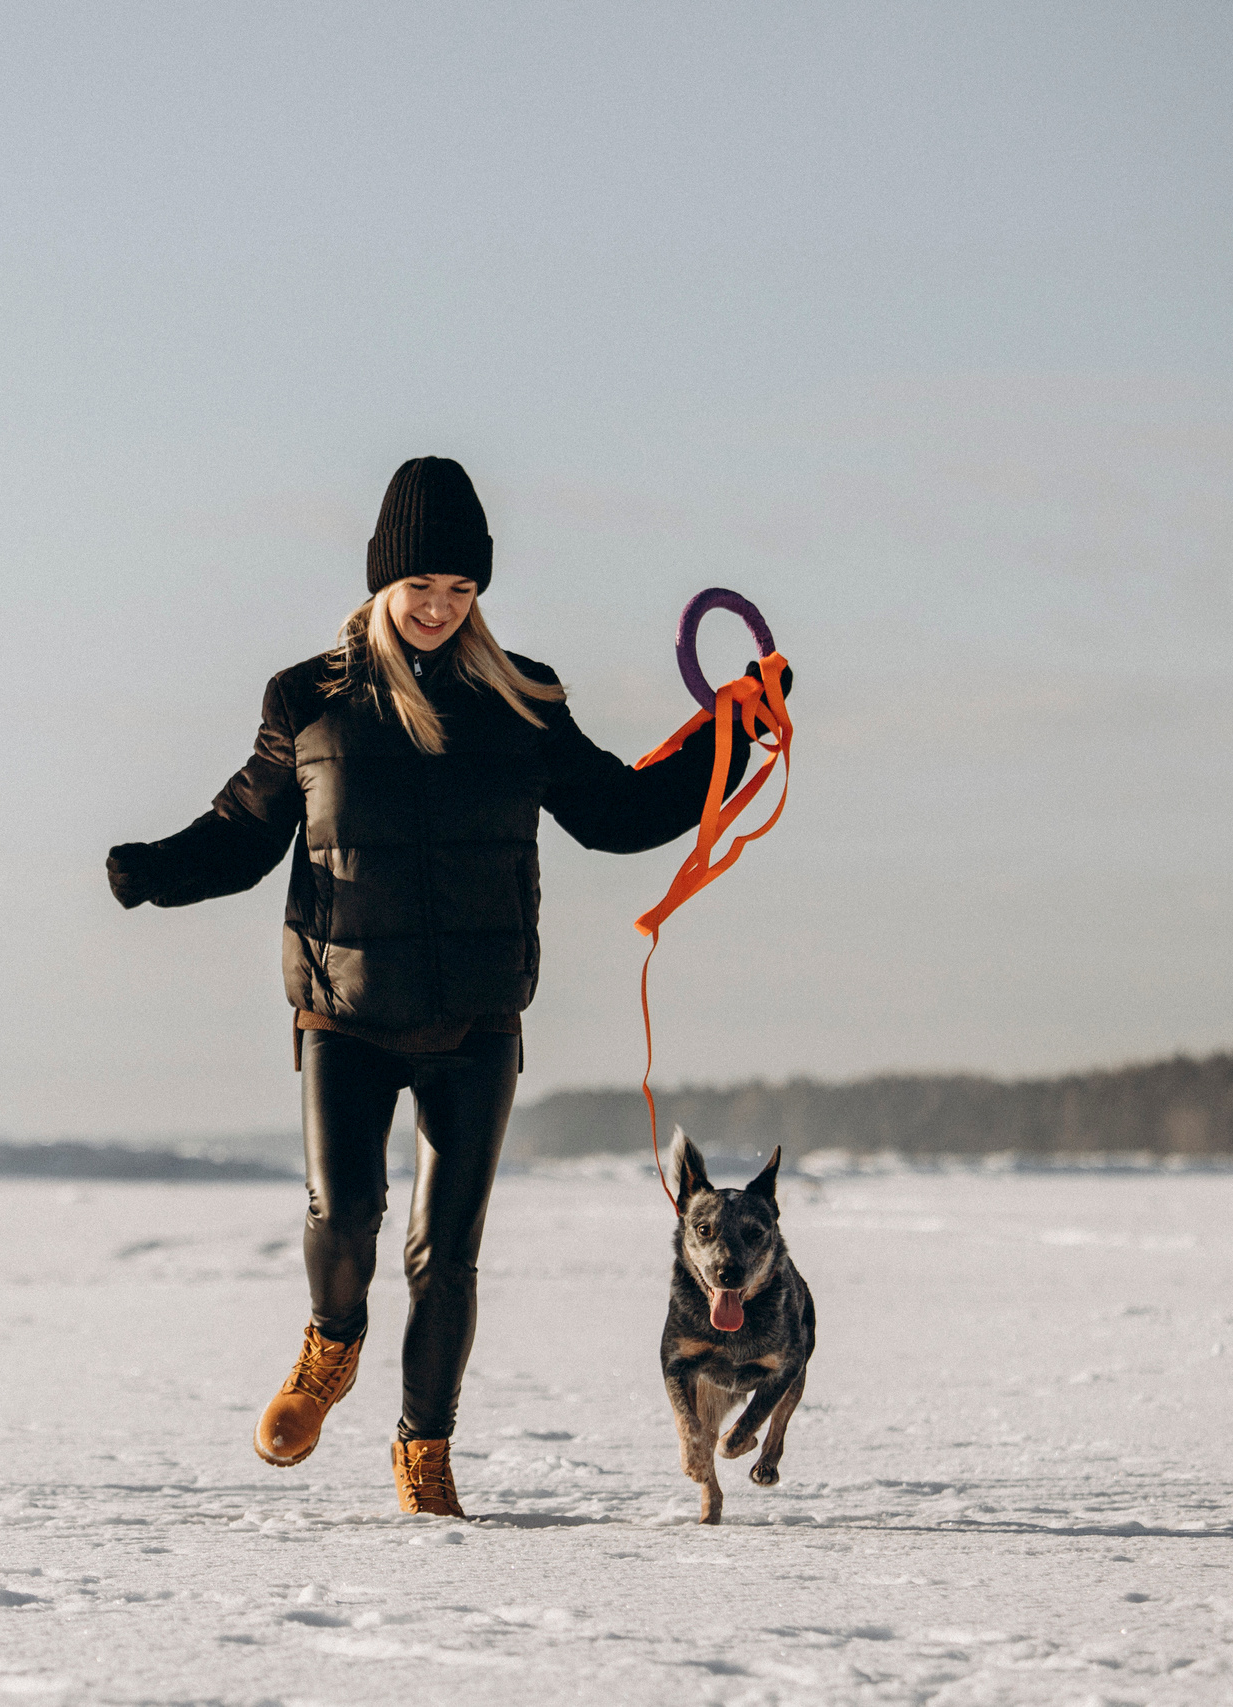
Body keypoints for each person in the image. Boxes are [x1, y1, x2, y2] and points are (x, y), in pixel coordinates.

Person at [104, 456, 785, 1517]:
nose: (438, 607)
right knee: (345, 1213)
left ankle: (424, 1451)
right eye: (420, 585)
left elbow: (620, 812)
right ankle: (331, 1344)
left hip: (475, 1016)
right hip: (343, 1007)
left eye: (461, 588)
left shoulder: (521, 698)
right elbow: (243, 830)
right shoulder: (309, 699)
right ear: (382, 579)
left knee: (445, 1259)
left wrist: (734, 733)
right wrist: (154, 868)